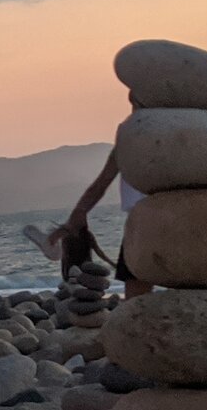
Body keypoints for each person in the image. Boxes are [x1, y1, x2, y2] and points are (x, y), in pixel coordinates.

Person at [53, 122, 152, 297]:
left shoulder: (127, 142)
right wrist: (79, 213)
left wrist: (79, 212)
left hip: (141, 224)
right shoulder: (173, 137)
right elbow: (99, 186)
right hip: (147, 222)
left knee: (136, 294)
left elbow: (99, 186)